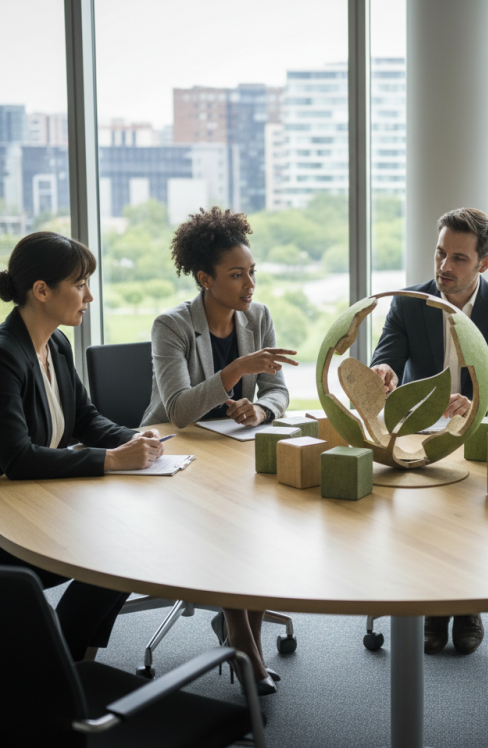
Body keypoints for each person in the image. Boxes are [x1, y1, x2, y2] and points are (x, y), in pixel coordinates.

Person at [141, 207, 299, 695]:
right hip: (174, 457)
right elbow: (180, 409)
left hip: (235, 451)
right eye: (236, 275)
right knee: (232, 532)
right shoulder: (171, 326)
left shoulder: (259, 316)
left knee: (264, 523)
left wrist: (261, 412)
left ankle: (237, 633)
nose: (249, 285)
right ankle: (245, 646)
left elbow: (277, 390)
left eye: (251, 272)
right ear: (205, 278)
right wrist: (234, 373)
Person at [371, 206, 488, 655]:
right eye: (440, 254)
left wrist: (479, 407)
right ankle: (433, 603)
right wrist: (382, 371)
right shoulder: (409, 301)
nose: (444, 266)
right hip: (420, 434)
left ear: (483, 263)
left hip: (477, 433)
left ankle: (466, 605)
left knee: (473, 510)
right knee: (422, 512)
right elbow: (383, 357)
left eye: (459, 258)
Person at [0, 231, 164, 662]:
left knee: (128, 548)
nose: (88, 296)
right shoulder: (4, 356)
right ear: (41, 291)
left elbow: (86, 420)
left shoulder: (55, 343)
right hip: (9, 524)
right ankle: (59, 668)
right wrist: (112, 460)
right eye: (79, 284)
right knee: (115, 555)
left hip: (41, 503)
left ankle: (76, 663)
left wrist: (133, 439)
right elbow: (16, 458)